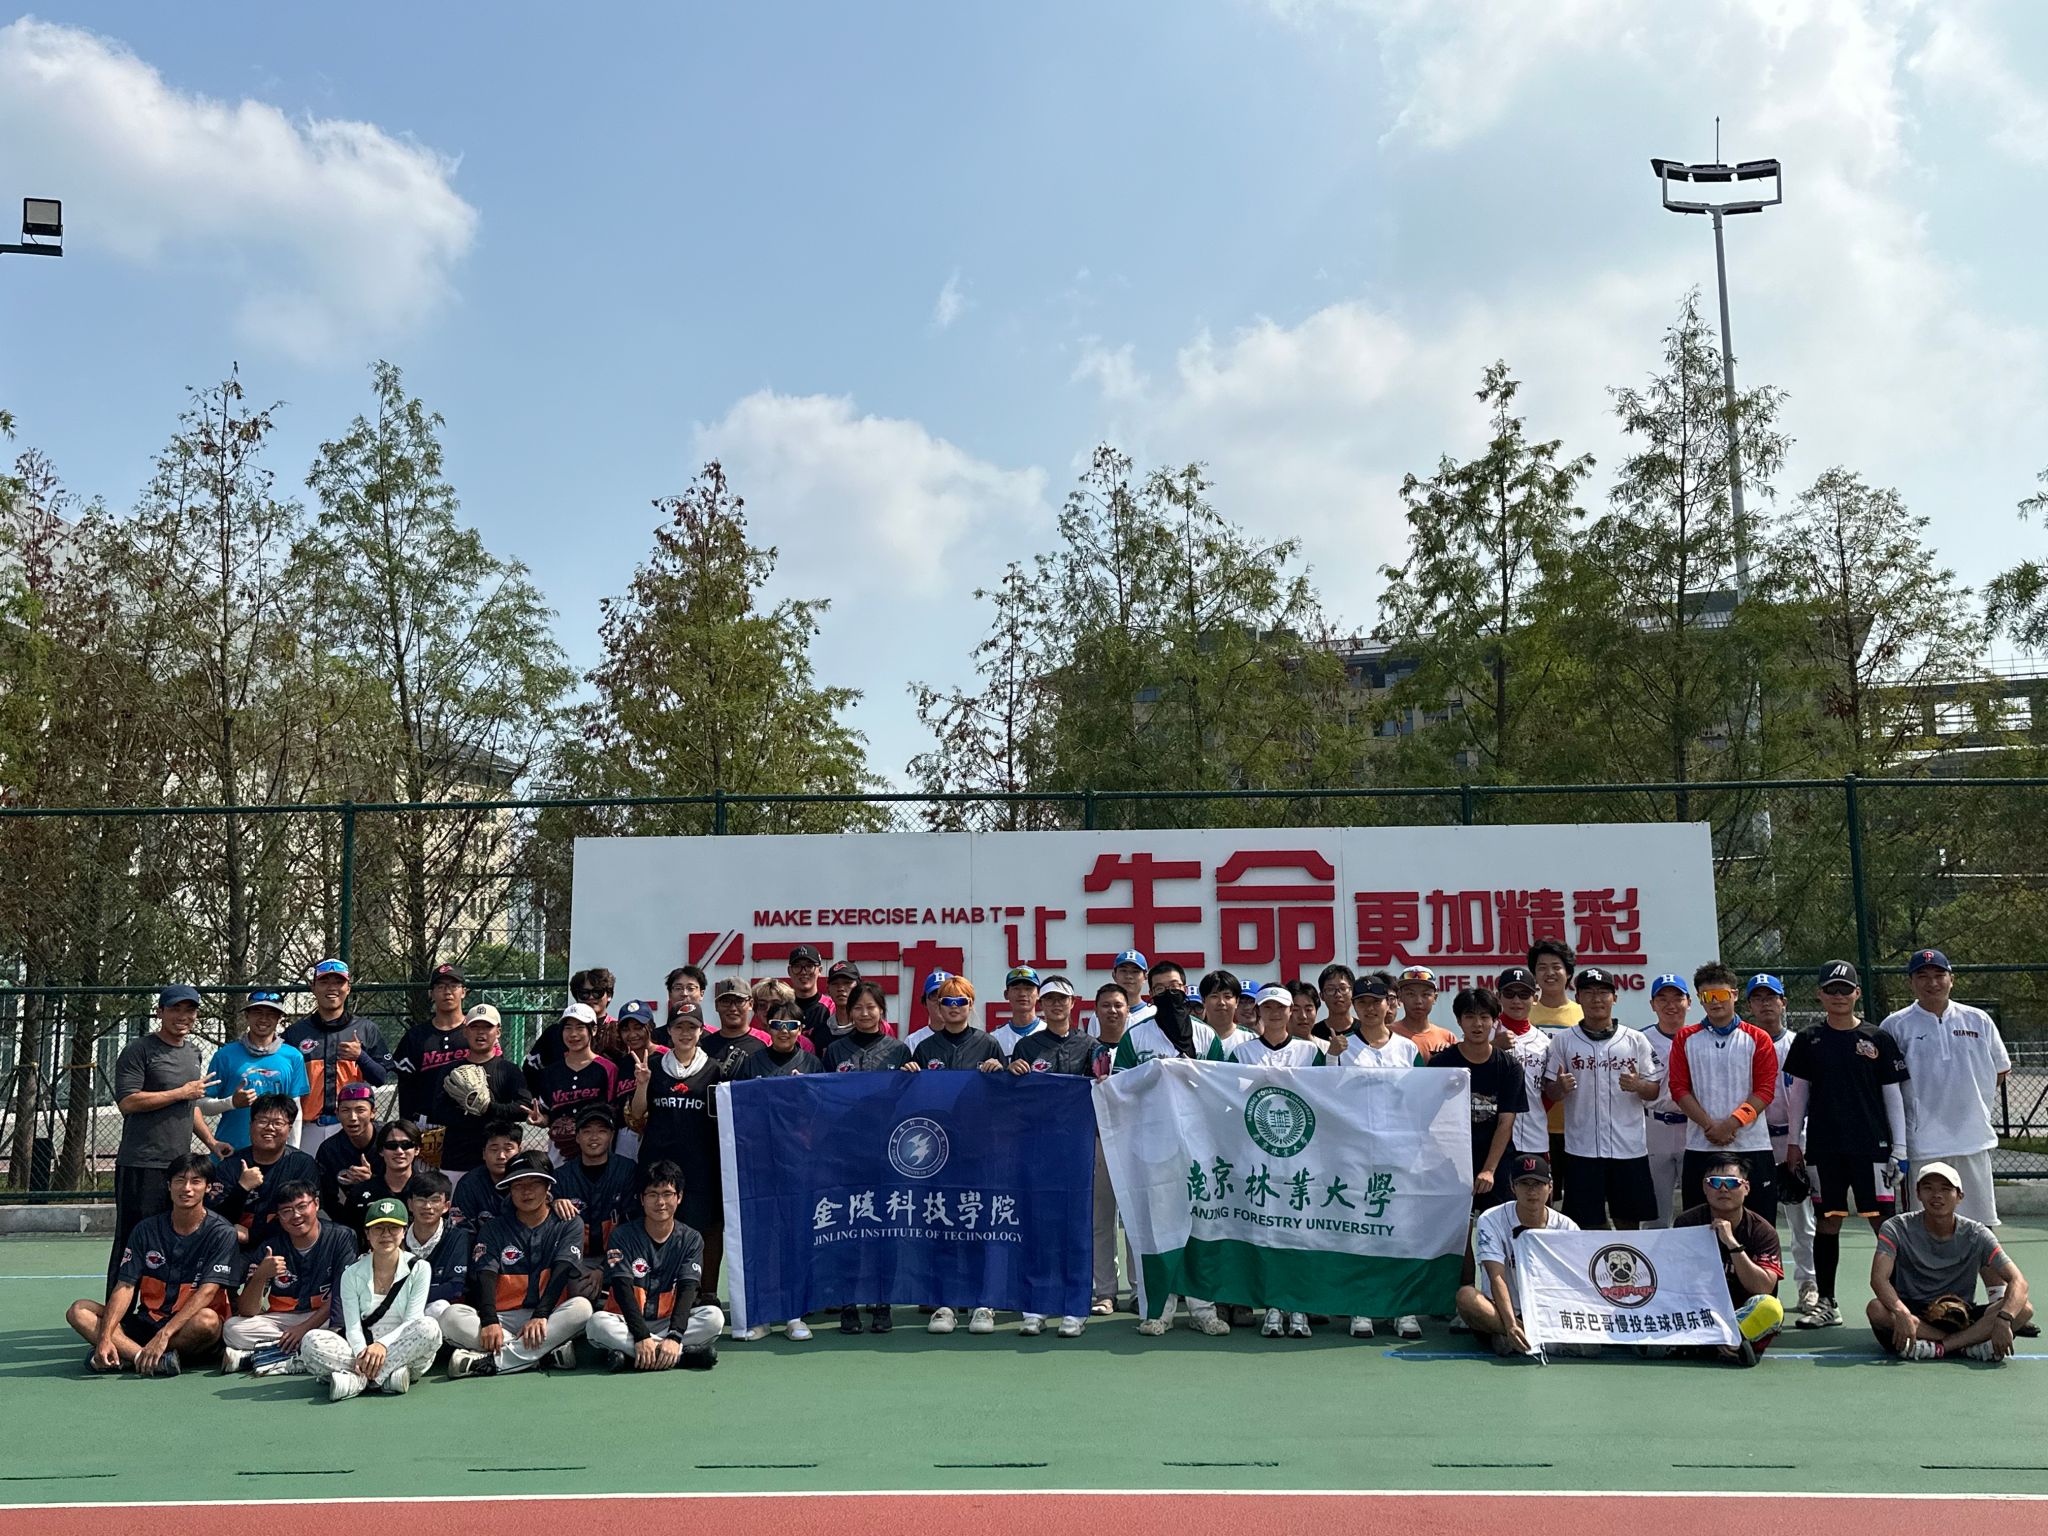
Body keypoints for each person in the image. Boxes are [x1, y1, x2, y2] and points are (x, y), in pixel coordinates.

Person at [1784, 960, 1909, 1331]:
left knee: (1884, 1223)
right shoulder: (1808, 1039)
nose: (1838, 996)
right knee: (1828, 1220)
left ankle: (1901, 1301)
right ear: (1820, 994)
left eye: (1845, 989)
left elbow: (1893, 1096)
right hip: (1824, 1147)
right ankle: (1827, 1302)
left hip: (1873, 1147)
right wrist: (1793, 1143)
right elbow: (1798, 1096)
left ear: (1857, 993)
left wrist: (1899, 1149)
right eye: (1831, 990)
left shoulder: (1878, 1038)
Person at [69, 1153, 235, 1376]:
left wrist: (164, 1334)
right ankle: (145, 1358)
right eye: (179, 1181)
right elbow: (125, 1286)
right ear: (169, 1186)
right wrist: (105, 1337)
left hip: (186, 1326)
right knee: (79, 1310)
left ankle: (126, 1355)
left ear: (208, 1188)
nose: (186, 1188)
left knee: (208, 1321)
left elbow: (208, 1292)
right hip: (148, 1322)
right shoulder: (146, 1229)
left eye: (195, 1182)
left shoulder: (222, 1233)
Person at [1881, 949, 2013, 1229]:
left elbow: (2000, 1071)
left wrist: (1970, 1105)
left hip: (1973, 1140)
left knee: (1980, 1225)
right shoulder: (1894, 1026)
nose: (1932, 983)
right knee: (1923, 1226)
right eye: (1922, 976)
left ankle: (1984, 1262)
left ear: (1952, 979)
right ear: (1911, 982)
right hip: (1922, 1145)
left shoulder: (1978, 1020)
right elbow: (1886, 1085)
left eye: (1939, 975)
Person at [1008, 979, 1108, 1340]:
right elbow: (1015, 1099)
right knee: (1038, 1226)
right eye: (1049, 999)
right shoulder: (1026, 1046)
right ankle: (1035, 1307)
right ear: (1042, 1004)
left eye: (1061, 999)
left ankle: (1074, 1307)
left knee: (1076, 1227)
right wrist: (1012, 1074)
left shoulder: (1091, 1046)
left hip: (1078, 1149)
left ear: (1072, 1003)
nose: (1055, 1005)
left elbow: (1103, 1089)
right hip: (1037, 1148)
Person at [445, 1151, 595, 1377]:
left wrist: (540, 1316)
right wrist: (490, 1321)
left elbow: (562, 1272)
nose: (526, 1191)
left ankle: (491, 1362)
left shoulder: (568, 1223)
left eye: (534, 1183)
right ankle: (542, 1356)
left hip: (548, 1316)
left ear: (548, 1187)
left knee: (582, 1309)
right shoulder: (493, 1227)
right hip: (503, 1318)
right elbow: (485, 1276)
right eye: (518, 1185)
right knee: (450, 1316)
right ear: (509, 1190)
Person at [1868, 1161, 2033, 1362]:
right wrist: (1901, 1312)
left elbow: (2019, 1281)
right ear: (1918, 1194)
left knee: (2024, 1309)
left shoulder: (1978, 1234)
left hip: (1962, 1315)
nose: (1937, 1195)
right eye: (1928, 1188)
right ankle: (1968, 1345)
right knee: (1876, 1309)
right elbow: (1879, 1279)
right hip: (1914, 1314)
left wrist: (2004, 1318)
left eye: (1946, 1189)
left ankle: (1940, 1347)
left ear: (1959, 1196)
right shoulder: (1895, 1228)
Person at [107, 985, 212, 1292]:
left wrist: (213, 1143)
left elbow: (189, 1106)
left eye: (189, 1010)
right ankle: (118, 1315)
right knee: (132, 1241)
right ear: (160, 1012)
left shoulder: (193, 1053)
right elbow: (128, 1102)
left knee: (169, 1241)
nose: (183, 1016)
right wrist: (181, 1092)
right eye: (175, 1009)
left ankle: (158, 1310)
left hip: (178, 1168)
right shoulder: (139, 1050)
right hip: (141, 1164)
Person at [1542, 967, 1660, 1231]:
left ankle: (1625, 1259)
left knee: (1628, 1222)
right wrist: (1559, 1088)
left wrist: (1638, 1085)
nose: (1597, 999)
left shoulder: (1635, 1040)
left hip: (1628, 1148)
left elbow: (1654, 1089)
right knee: (1586, 1224)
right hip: (1582, 1148)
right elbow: (1551, 1091)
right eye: (1589, 992)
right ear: (1578, 998)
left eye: (1603, 992)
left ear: (1614, 998)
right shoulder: (1563, 1041)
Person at [627, 998, 726, 1307]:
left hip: (700, 1167)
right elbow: (637, 1114)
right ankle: (655, 1290)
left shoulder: (714, 1070)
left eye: (691, 1028)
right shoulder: (655, 1066)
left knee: (700, 1229)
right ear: (668, 1031)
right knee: (656, 1224)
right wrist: (642, 1084)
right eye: (679, 1027)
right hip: (657, 1164)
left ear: (701, 1031)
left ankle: (700, 1292)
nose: (685, 1033)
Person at [300, 1195, 445, 1399]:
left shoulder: (420, 1268)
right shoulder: (351, 1274)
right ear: (367, 1233)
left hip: (404, 1346)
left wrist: (382, 1345)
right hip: (361, 1349)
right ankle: (385, 1377)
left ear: (404, 1231)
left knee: (429, 1327)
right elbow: (352, 1327)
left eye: (393, 1228)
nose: (386, 1235)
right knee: (310, 1341)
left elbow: (412, 1320)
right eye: (378, 1228)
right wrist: (363, 1353)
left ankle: (357, 1380)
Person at [1666, 961, 1779, 1223]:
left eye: (1720, 994)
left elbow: (1764, 1091)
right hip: (1701, 1145)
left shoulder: (1758, 1038)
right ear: (1699, 999)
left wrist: (1731, 1124)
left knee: (1759, 1223)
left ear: (1734, 995)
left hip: (1752, 1145)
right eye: (1707, 997)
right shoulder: (1685, 1038)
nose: (1715, 1002)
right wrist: (1709, 1126)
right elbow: (1678, 1088)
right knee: (1698, 1227)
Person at [588, 1160, 726, 1367]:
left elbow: (688, 1289)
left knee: (714, 1318)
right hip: (626, 1321)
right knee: (596, 1324)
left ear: (679, 1197)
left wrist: (675, 1335)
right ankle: (680, 1357)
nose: (660, 1202)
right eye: (652, 1194)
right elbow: (622, 1288)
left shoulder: (691, 1238)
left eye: (667, 1194)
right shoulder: (622, 1235)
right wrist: (641, 1335)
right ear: (642, 1199)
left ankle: (635, 1357)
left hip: (667, 1322)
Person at [219, 1178, 354, 1374]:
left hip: (324, 1317)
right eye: (286, 1211)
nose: (296, 1215)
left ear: (316, 1204)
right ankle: (302, 1353)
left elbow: (341, 1295)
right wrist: (261, 1275)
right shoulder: (271, 1246)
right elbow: (247, 1310)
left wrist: (304, 1329)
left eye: (302, 1206)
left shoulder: (341, 1237)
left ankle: (261, 1357)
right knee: (232, 1329)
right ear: (279, 1216)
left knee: (347, 1326)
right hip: (283, 1321)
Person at [1454, 1153, 1579, 1358]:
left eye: (1538, 1184)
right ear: (1513, 1187)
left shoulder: (1567, 1227)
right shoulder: (1491, 1219)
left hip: (1548, 1312)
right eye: (1524, 1184)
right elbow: (1496, 1276)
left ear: (1550, 1187)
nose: (1532, 1191)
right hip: (1503, 1309)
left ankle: (1519, 1339)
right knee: (1466, 1297)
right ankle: (1518, 1334)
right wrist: (1511, 1324)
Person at [1743, 971, 1817, 1309]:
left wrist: (1797, 1141)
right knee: (1756, 1218)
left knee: (1802, 1220)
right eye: (1758, 998)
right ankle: (1753, 1287)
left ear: (1783, 1002)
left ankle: (1809, 1284)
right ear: (1749, 1006)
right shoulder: (1744, 1044)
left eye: (1771, 997)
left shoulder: (1798, 1044)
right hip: (1755, 1139)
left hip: (1794, 1138)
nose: (1765, 1004)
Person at [1672, 1156, 1786, 1366]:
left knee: (1771, 1308)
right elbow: (1674, 1278)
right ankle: (1727, 1345)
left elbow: (1763, 1287)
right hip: (1699, 1310)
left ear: (1746, 1188)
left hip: (1740, 1312)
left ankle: (1725, 1340)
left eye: (1732, 1183)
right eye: (1715, 1182)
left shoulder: (1763, 1232)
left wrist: (1732, 1243)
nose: (1723, 1189)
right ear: (1705, 1188)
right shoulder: (1686, 1223)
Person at [1427, 988, 1527, 1210]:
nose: (1477, 1024)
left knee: (1498, 1221)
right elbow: (1433, 1121)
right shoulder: (1441, 1065)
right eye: (1470, 1016)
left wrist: (1489, 1170)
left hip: (1496, 1163)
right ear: (1459, 1021)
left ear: (1494, 1021)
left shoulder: (1510, 1067)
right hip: (1449, 1164)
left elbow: (1505, 1122)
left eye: (1484, 1017)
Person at [283, 959, 392, 1155]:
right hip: (307, 1127)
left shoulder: (366, 1029)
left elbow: (381, 1077)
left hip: (351, 1127)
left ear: (348, 988)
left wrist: (361, 1057)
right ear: (313, 987)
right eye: (324, 982)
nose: (332, 988)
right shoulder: (295, 1033)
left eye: (339, 982)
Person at [209, 1094, 323, 1267]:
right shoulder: (231, 1165)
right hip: (235, 1248)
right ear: (250, 1125)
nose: (269, 1128)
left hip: (285, 1247)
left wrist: (252, 1235)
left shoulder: (302, 1164)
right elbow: (215, 1217)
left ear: (289, 1128)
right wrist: (242, 1188)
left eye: (278, 1123)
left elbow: (306, 1216)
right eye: (262, 1121)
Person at [433, 1004, 535, 1176]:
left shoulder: (508, 1070)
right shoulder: (451, 1071)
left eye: (487, 1027)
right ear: (465, 1031)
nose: (481, 1033)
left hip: (500, 1160)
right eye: (474, 1027)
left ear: (498, 1032)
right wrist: (473, 1110)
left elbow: (524, 1109)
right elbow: (438, 1112)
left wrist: (488, 1108)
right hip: (457, 1158)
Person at [201, 991, 310, 1153]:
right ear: (247, 1015)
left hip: (275, 1154)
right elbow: (201, 1106)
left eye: (271, 1014)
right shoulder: (224, 1055)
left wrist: (293, 1152)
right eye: (257, 1012)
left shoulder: (293, 1057)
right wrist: (231, 1103)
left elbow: (296, 1110)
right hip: (231, 1151)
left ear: (279, 1018)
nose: (263, 1019)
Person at [529, 1003, 621, 1163]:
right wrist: (541, 1120)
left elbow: (614, 1111)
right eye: (568, 1028)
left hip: (598, 1150)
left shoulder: (607, 1069)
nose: (573, 1034)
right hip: (559, 1153)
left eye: (580, 1028)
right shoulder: (551, 1072)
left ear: (593, 1030)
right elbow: (547, 1115)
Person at [553, 1104, 639, 1266]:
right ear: (577, 1137)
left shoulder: (627, 1170)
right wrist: (553, 1203)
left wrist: (604, 1269)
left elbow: (633, 1225)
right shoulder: (561, 1176)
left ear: (611, 1135)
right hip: (575, 1260)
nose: (594, 1137)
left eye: (601, 1131)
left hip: (619, 1258)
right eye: (587, 1131)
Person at [1641, 975, 1693, 1228]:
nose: (1670, 1004)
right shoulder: (1639, 1039)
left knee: (1696, 1207)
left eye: (1677, 998)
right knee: (1655, 1213)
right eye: (1662, 998)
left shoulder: (1700, 1037)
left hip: (1693, 1126)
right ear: (1653, 1004)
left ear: (1689, 1002)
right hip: (1654, 1125)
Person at [392, 963, 472, 1126]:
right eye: (440, 986)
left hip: (470, 1122)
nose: (447, 992)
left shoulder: (476, 1033)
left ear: (463, 992)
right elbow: (406, 1089)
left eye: (453, 986)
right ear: (431, 993)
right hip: (427, 1124)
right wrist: (407, 1127)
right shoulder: (416, 1036)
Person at [1494, 966, 1556, 1169]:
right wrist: (1492, 1047)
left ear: (1535, 998)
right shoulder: (1484, 1033)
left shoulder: (1544, 1042)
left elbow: (1547, 1095)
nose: (1516, 1000)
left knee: (1533, 1189)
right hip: (1491, 1137)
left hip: (1533, 1135)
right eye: (1509, 993)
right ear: (1498, 997)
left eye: (1523, 994)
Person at [1113, 962, 1226, 1070]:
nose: (1168, 993)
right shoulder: (1133, 1037)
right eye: (1160, 988)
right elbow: (1120, 1080)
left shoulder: (1207, 1035)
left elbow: (1220, 1077)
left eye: (1174, 986)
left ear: (1185, 990)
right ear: (1151, 994)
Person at [331, 1116, 426, 1237]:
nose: (399, 1151)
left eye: (406, 1145)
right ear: (381, 1150)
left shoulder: (429, 1190)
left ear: (417, 1149)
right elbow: (350, 1235)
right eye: (392, 1145)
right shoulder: (359, 1193)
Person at [401, 1167, 470, 1326]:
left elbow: (455, 1287)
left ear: (446, 1206)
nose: (427, 1206)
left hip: (433, 1305)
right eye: (420, 1200)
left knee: (441, 1308)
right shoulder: (398, 1236)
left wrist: (410, 1297)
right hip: (398, 1305)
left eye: (434, 1200)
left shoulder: (457, 1236)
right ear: (410, 1204)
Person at [526, 968, 619, 1072]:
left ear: (609, 995)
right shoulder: (555, 1032)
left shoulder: (618, 1031)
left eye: (597, 992)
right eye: (584, 993)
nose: (591, 997)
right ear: (577, 996)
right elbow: (530, 1068)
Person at [912, 976, 1008, 1076]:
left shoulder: (988, 1045)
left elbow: (1004, 1083)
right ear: (939, 1005)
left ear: (970, 1004)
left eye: (961, 1000)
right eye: (947, 1001)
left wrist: (999, 1070)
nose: (954, 1006)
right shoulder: (925, 1048)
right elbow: (915, 1084)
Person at [314, 1083, 382, 1224]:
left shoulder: (390, 1140)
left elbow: (405, 1185)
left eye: (360, 1110)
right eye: (345, 1110)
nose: (353, 1117)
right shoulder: (329, 1150)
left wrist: (372, 1182)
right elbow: (327, 1199)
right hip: (351, 1217)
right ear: (337, 1114)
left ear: (373, 1112)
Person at [820, 981, 915, 1074]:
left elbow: (907, 1083)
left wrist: (911, 1071)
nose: (864, 1013)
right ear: (850, 1011)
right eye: (858, 1008)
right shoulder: (835, 1050)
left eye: (870, 1007)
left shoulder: (899, 1050)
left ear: (881, 1009)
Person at [1232, 984, 1330, 1069]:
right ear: (1258, 1010)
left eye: (1281, 1007)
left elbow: (1325, 1080)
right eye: (1267, 1007)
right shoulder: (1241, 1052)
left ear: (1291, 1009)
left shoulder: (1310, 1050)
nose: (1275, 1013)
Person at [453, 1121, 525, 1229]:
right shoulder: (469, 1184)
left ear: (519, 1151)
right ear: (484, 1153)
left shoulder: (529, 1181)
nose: (501, 1156)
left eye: (508, 1149)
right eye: (494, 1149)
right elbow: (461, 1229)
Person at [738, 1004, 824, 1079]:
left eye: (791, 1025)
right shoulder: (752, 1062)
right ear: (769, 1028)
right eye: (777, 1024)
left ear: (800, 1029)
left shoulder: (812, 1064)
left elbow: (820, 1091)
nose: (784, 1031)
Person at [706, 982, 771, 1080]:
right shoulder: (703, 1045)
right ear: (716, 1005)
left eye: (739, 1001)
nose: (733, 1008)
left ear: (750, 1004)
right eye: (726, 1001)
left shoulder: (766, 1041)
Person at [1393, 967, 1457, 1057]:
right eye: (1411, 994)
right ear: (1400, 996)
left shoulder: (1447, 1038)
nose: (1418, 1001)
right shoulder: (1388, 1033)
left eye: (1425, 994)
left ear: (1435, 998)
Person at [785, 945, 835, 1041]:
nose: (803, 972)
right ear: (789, 971)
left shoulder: (832, 1008)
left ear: (819, 970)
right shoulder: (782, 1008)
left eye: (809, 966)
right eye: (797, 966)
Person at [1198, 970, 1252, 1059]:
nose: (1221, 1002)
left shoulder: (1250, 1039)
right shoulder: (1193, 1036)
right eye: (1214, 996)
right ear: (1203, 1001)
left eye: (1227, 997)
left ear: (1237, 1001)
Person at [991, 967, 1044, 1056]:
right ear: (1006, 994)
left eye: (1028, 989)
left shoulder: (1051, 1033)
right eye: (1016, 989)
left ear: (1039, 993)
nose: (1022, 994)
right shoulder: (995, 1038)